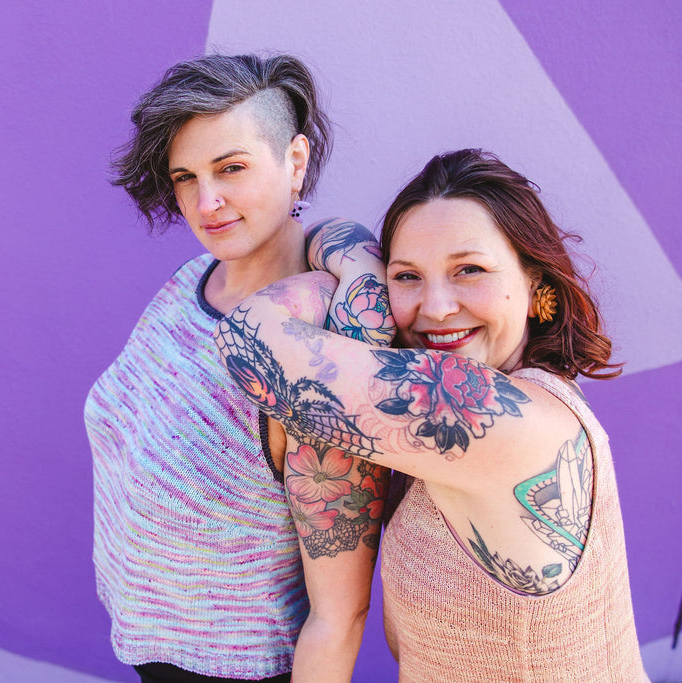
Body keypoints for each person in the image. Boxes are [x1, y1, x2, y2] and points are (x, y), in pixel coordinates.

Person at [215, 149, 649, 682]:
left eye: (470, 270)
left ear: (537, 286)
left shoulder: (496, 420)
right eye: (407, 277)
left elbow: (245, 340)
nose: (437, 306)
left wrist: (355, 276)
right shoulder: (528, 402)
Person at [85, 54, 392, 682]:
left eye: (231, 168)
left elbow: (340, 614)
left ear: (296, 162)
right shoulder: (193, 279)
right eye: (185, 177)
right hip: (152, 647)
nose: (208, 202)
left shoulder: (308, 353)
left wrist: (362, 266)